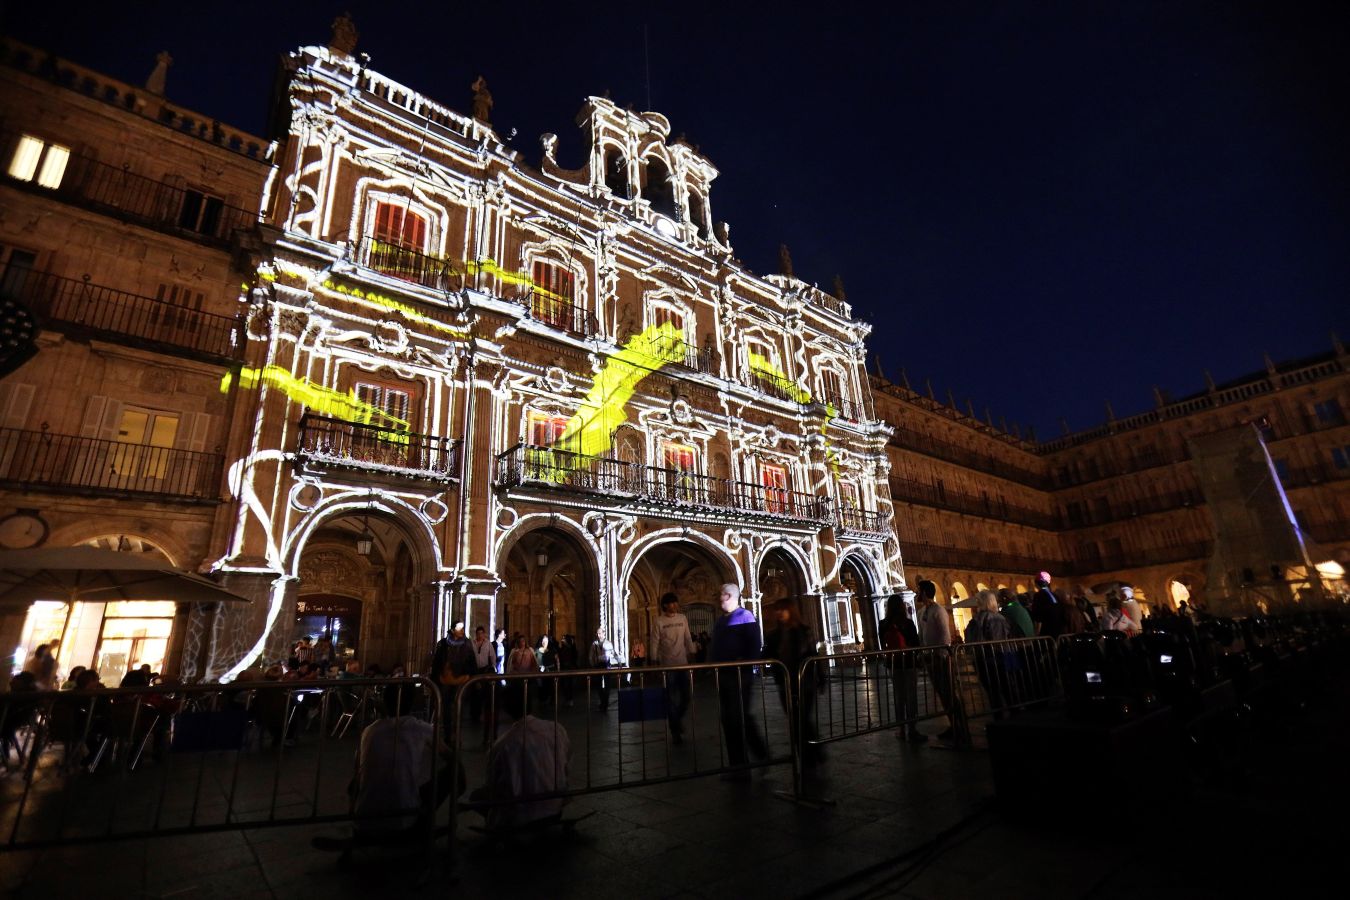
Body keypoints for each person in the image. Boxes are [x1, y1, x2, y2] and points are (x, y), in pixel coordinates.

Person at [352, 683, 461, 839]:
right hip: (404, 821)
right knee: (454, 770)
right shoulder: (421, 728)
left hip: (363, 823)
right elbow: (449, 756)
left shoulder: (370, 731)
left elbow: (357, 770)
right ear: (413, 702)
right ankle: (430, 822)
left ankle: (359, 818)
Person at [472, 680, 570, 832]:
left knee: (476, 796)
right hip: (554, 807)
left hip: (520, 814)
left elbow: (493, 784)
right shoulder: (557, 730)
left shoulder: (502, 745)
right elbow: (567, 765)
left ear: (505, 708)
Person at [708, 584, 767, 776]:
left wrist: (746, 663)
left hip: (740, 675)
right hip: (723, 675)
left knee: (739, 717)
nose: (720, 598)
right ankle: (738, 765)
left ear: (732, 596)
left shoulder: (746, 616)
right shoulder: (720, 621)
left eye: (724, 595)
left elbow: (754, 644)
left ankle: (753, 760)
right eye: (720, 594)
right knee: (729, 719)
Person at [763, 599, 822, 767]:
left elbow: (813, 654)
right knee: (795, 719)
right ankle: (807, 752)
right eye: (777, 610)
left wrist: (821, 677)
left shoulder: (804, 631)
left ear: (791, 611)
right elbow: (766, 654)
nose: (778, 613)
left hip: (805, 681)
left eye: (782, 610)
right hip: (785, 683)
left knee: (801, 718)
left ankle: (810, 753)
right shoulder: (774, 635)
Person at [916, 580, 962, 742]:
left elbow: (944, 634)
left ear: (925, 592)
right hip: (929, 658)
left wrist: (941, 652)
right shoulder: (921, 612)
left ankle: (959, 725)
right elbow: (921, 635)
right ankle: (952, 724)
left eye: (918, 590)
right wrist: (922, 652)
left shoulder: (939, 610)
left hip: (941, 657)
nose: (916, 593)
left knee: (949, 691)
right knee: (941, 693)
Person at [651, 592, 696, 743]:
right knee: (670, 699)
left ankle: (676, 721)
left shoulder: (682, 618)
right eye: (671, 603)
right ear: (665, 605)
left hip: (682, 663)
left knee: (686, 697)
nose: (675, 605)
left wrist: (692, 652)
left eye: (676, 602)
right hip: (668, 665)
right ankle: (675, 730)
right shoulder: (659, 621)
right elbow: (655, 641)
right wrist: (653, 660)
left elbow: (688, 637)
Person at [880, 595, 925, 742]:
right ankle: (912, 729)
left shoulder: (883, 624)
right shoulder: (908, 623)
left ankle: (901, 729)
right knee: (911, 696)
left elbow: (882, 646)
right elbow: (916, 644)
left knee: (899, 697)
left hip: (894, 664)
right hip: (909, 663)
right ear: (902, 606)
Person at [965, 590, 1013, 716]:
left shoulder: (980, 619)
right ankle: (1014, 712)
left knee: (993, 690)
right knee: (1007, 687)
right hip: (1003, 655)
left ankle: (1000, 716)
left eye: (977, 601)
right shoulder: (1001, 617)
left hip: (988, 658)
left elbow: (973, 639)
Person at [430, 623, 476, 736]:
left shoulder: (467, 644)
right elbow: (437, 663)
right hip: (445, 680)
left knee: (458, 708)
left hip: (461, 680)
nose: (462, 630)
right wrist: (437, 678)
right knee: (446, 708)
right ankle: (447, 734)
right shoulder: (443, 644)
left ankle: (455, 734)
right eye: (459, 628)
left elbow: (472, 663)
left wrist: (469, 675)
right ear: (452, 630)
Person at [589, 628, 620, 712]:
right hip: (597, 665)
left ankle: (604, 703)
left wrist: (619, 661)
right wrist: (592, 664)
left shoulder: (608, 644)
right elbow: (591, 655)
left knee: (607, 685)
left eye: (600, 633)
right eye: (597, 633)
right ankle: (603, 701)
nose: (599, 635)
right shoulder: (594, 644)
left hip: (606, 665)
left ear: (604, 634)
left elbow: (613, 653)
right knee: (598, 684)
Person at [1030, 571, 1066, 638]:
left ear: (1036, 584)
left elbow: (1037, 617)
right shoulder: (1055, 595)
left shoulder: (1038, 596)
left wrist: (1035, 635)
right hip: (1058, 632)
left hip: (1046, 632)